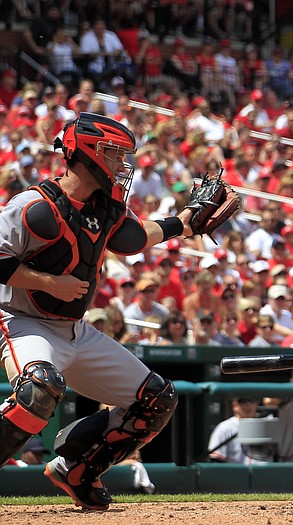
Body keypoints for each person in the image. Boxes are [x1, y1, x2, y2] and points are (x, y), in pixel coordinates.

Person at [0, 113, 198, 510]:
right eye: (113, 154)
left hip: (75, 329)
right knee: (38, 390)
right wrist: (48, 283)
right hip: (24, 322)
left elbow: (137, 236)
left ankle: (76, 469)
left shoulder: (103, 208)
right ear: (87, 153)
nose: (121, 165)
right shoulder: (34, 205)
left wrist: (185, 224)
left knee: (156, 399)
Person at [207, 397, 264, 464]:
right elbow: (216, 461)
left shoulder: (266, 426)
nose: (249, 405)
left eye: (253, 401)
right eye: (244, 401)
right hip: (236, 473)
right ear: (235, 406)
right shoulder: (225, 428)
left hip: (264, 473)